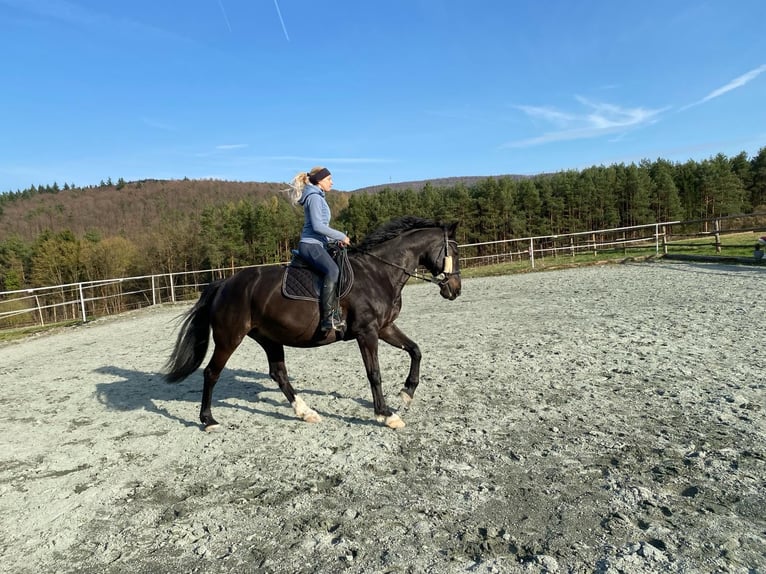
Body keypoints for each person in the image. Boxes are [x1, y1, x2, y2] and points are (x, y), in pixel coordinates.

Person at [289, 166, 351, 333]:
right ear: (320, 180)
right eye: (329, 179)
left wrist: (334, 240)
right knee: (332, 270)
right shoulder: (315, 198)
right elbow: (317, 226)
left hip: (318, 244)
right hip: (310, 245)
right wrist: (340, 236)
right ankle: (328, 317)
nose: (332, 182)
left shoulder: (317, 197)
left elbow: (322, 228)